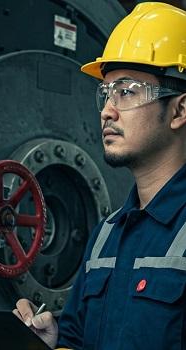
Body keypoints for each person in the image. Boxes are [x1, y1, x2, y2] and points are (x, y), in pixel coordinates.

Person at [13, 2, 186, 349]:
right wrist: (52, 341)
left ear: (179, 110)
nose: (107, 111)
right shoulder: (105, 237)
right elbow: (79, 340)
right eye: (105, 94)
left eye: (126, 91)